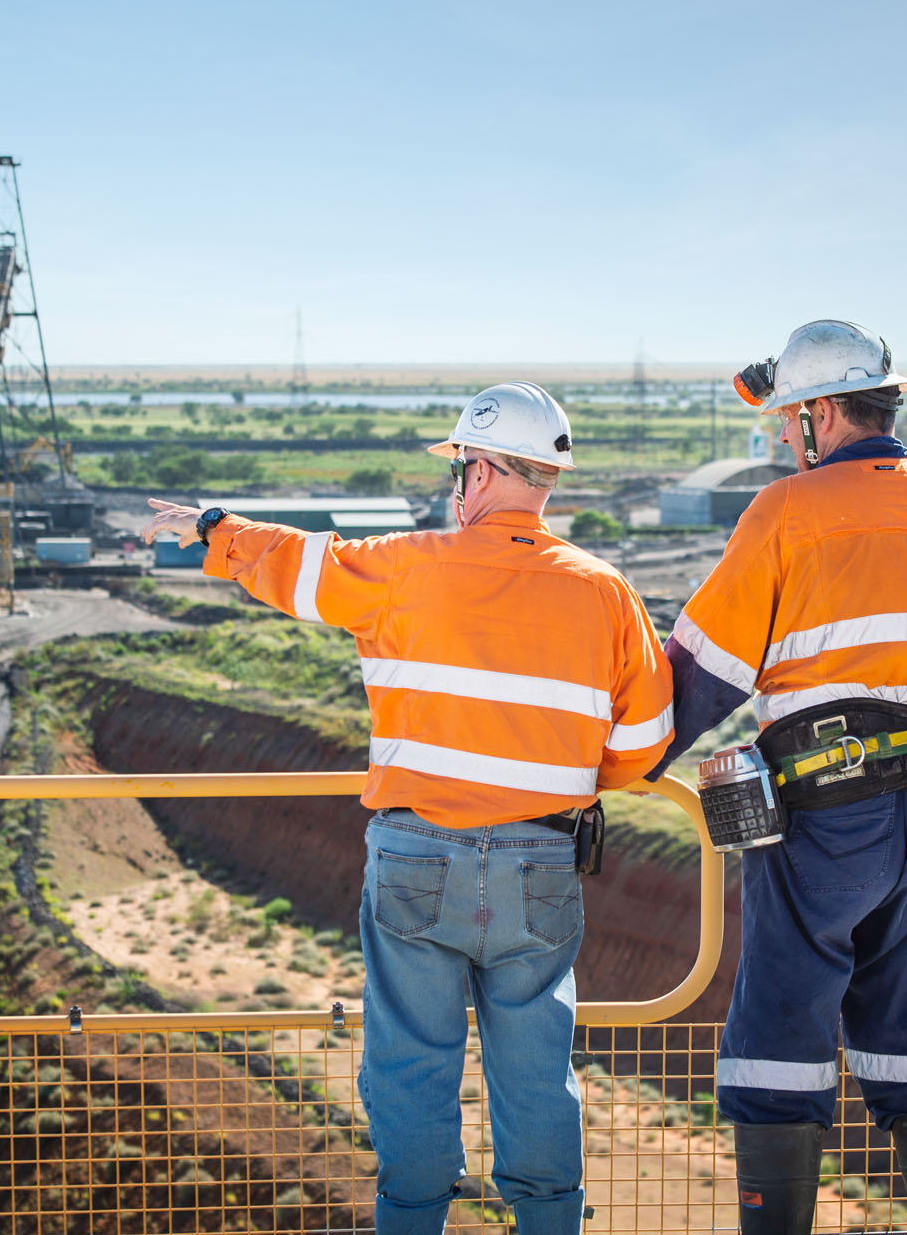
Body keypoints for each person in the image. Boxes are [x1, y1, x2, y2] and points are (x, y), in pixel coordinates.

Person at [142, 381, 673, 1235]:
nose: (452, 485)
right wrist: (559, 777)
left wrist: (213, 526)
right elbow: (645, 743)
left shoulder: (406, 566)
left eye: (459, 466)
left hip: (417, 858)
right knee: (537, 1073)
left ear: (483, 471)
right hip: (542, 861)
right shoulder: (606, 591)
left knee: (410, 1067)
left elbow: (296, 563)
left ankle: (414, 1217)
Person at [651, 321, 907, 1235]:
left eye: (791, 420)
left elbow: (705, 673)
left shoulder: (786, 511)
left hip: (822, 804)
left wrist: (614, 763)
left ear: (823, 415)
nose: (786, 438)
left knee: (783, 1022)